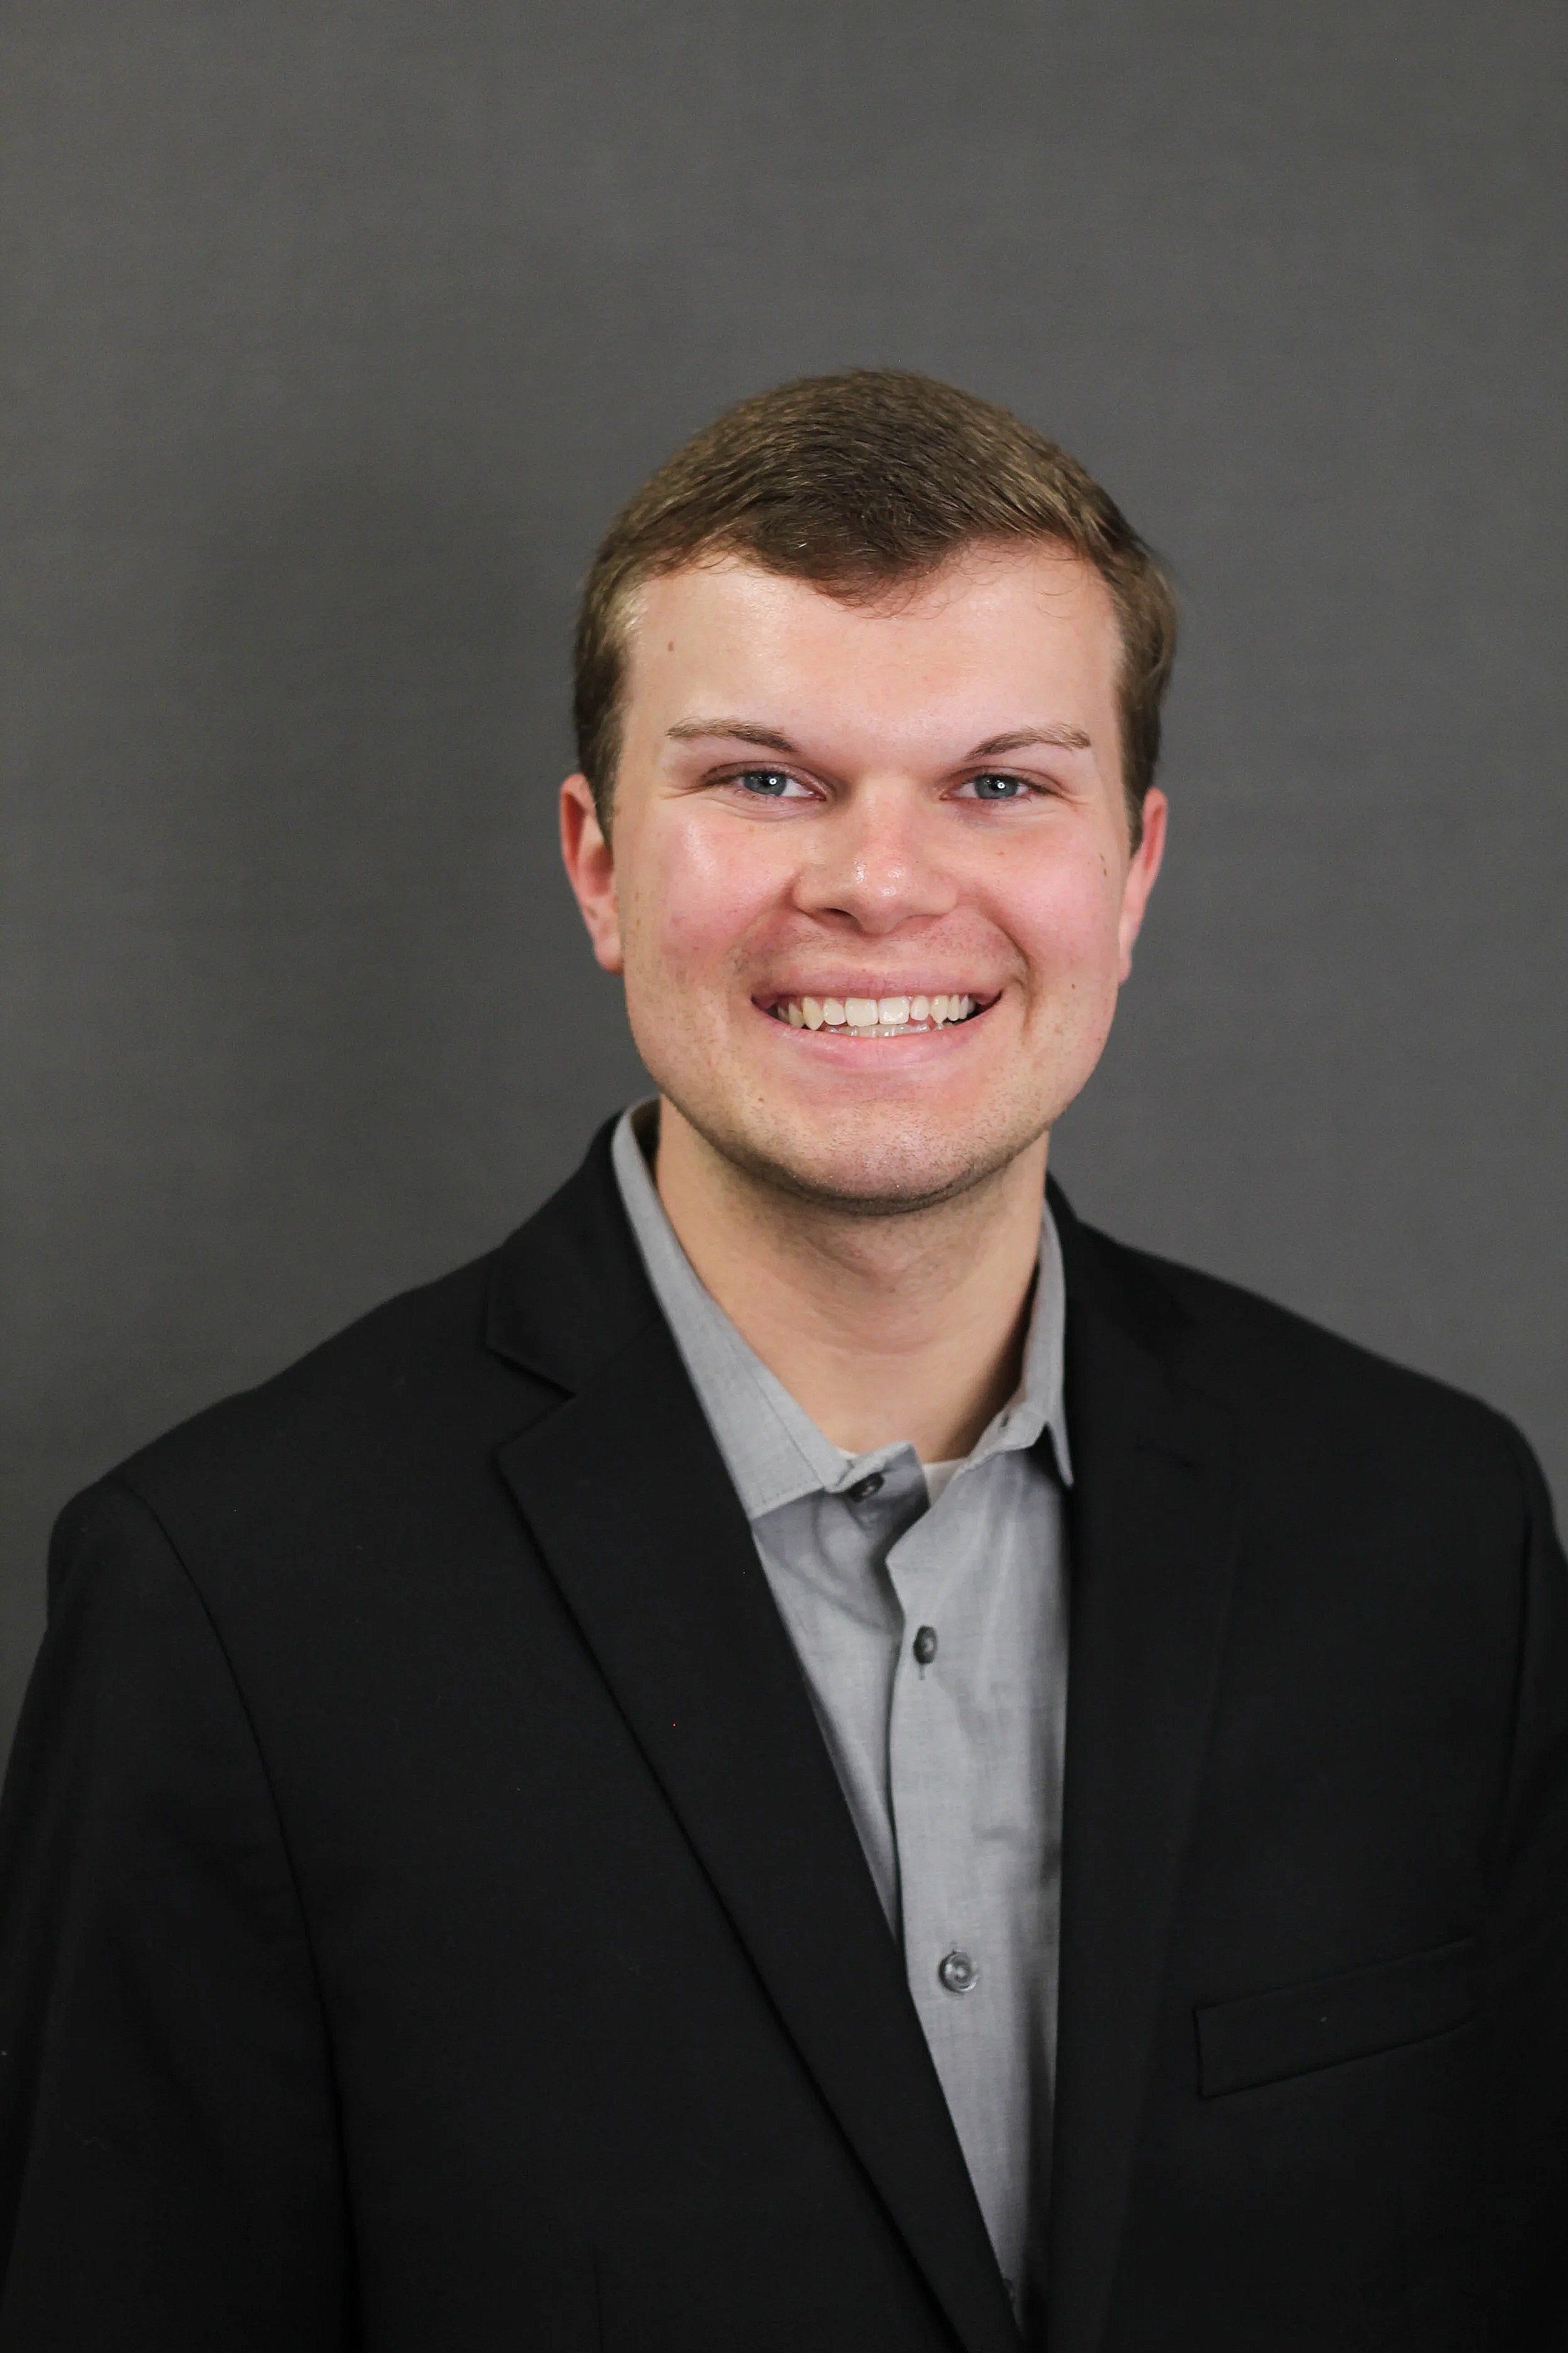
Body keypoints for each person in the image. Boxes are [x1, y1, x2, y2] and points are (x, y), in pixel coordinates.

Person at [0, 370, 1562, 2353]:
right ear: (596, 864)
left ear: (1132, 872)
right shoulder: (227, 1610)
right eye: (763, 780)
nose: (880, 884)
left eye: (1000, 784)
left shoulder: (1434, 1542)